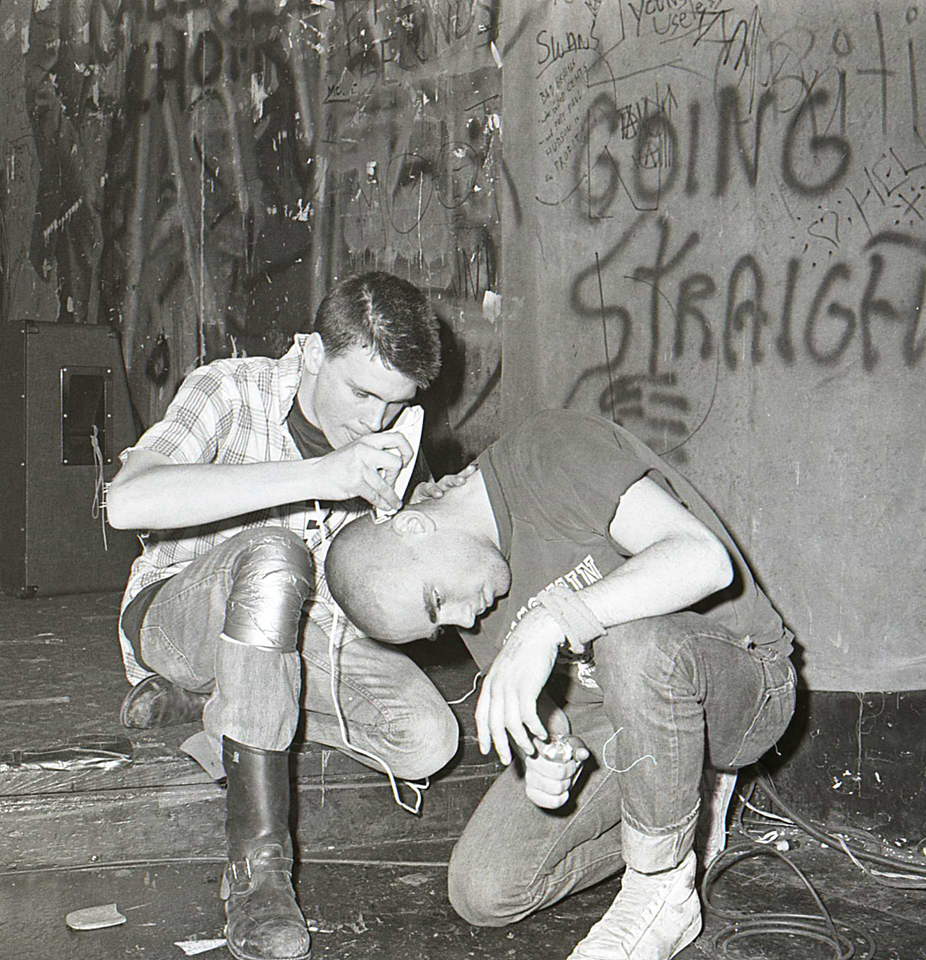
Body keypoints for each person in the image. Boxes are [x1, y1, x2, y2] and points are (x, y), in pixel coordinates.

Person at [324, 409, 796, 960]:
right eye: (441, 626)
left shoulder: (547, 452)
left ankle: (661, 887)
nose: (461, 619)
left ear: (413, 525)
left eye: (436, 600)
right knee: (485, 889)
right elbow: (553, 713)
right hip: (624, 720)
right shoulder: (475, 591)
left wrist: (549, 621)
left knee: (629, 639)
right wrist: (548, 758)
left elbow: (704, 560)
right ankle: (688, 805)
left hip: (742, 683)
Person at [105, 272, 459, 960]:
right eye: (361, 393)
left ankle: (216, 700)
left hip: (297, 638)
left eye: (396, 403)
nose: (375, 421)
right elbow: (128, 501)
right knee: (274, 552)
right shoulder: (229, 388)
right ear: (313, 352)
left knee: (427, 740)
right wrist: (319, 476)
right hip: (177, 616)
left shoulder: (394, 434)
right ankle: (257, 874)